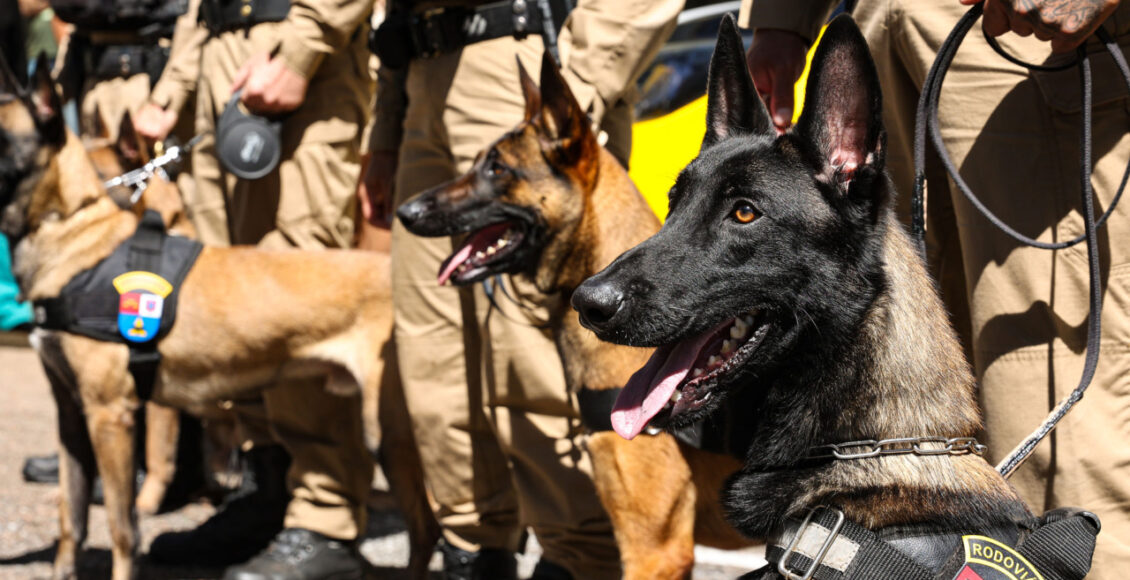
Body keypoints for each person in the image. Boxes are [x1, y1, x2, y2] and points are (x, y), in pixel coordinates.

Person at [741, 0, 1130, 576]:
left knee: (1052, 436)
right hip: (880, 28)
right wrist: (785, 16)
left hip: (1019, 44)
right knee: (914, 476)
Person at [361, 0, 682, 577]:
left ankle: (580, 554)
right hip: (419, 67)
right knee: (433, 341)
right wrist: (386, 124)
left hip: (526, 51)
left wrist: (577, 86)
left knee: (532, 348)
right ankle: (475, 548)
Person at [134, 0, 376, 577]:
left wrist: (299, 50)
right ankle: (270, 493)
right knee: (230, 306)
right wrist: (172, 90)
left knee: (299, 300)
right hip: (219, 58)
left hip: (299, 64)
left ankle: (325, 519)